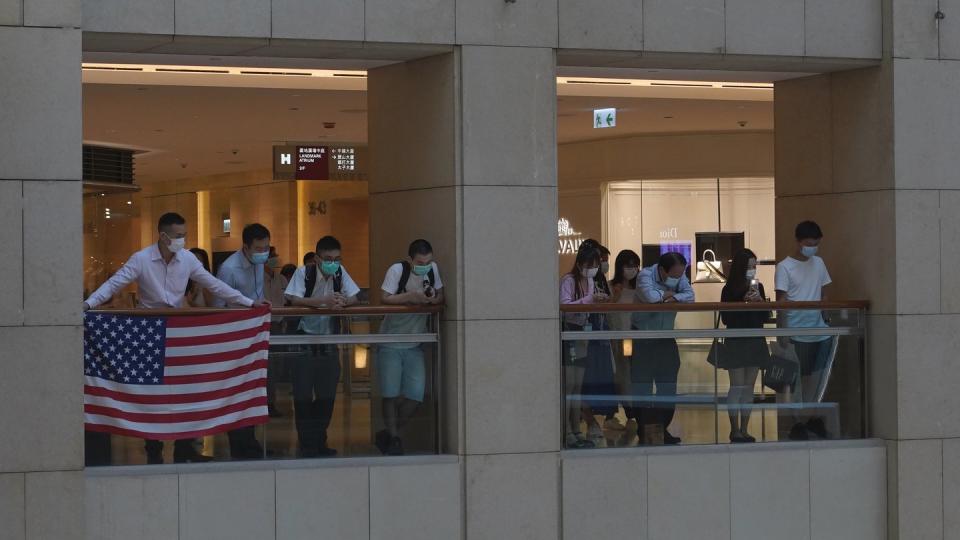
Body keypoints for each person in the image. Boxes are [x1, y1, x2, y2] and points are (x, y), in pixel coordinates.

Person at [84, 212, 265, 464]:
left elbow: (214, 285)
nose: (183, 240)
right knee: (150, 392)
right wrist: (88, 304)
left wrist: (248, 303)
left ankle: (184, 445)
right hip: (148, 332)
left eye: (185, 235)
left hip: (180, 330)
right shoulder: (141, 259)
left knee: (184, 388)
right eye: (179, 236)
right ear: (163, 236)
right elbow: (115, 284)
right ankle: (153, 448)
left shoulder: (188, 259)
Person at [285, 236, 360, 457]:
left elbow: (355, 296)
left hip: (328, 343)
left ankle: (319, 440)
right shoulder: (303, 273)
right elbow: (292, 299)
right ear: (317, 259)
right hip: (304, 342)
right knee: (303, 397)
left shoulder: (339, 272)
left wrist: (343, 302)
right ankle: (307, 445)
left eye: (337, 259)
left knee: (327, 397)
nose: (333, 263)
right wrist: (321, 302)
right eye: (328, 259)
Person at [376, 239, 444, 456]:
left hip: (416, 342)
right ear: (410, 260)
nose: (425, 266)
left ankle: (389, 433)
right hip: (390, 341)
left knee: (415, 396)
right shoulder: (397, 271)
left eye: (428, 261)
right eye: (420, 262)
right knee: (390, 393)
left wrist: (433, 299)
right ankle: (395, 439)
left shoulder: (432, 270)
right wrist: (411, 297)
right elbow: (384, 298)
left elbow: (441, 295)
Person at [212, 223, 274, 459]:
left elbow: (256, 294)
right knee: (236, 392)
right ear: (245, 248)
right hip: (234, 336)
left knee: (253, 389)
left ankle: (251, 440)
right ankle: (240, 443)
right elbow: (218, 307)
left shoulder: (259, 265)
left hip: (254, 334)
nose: (263, 252)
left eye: (267, 247)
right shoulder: (229, 269)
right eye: (259, 248)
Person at [775, 220, 833, 441]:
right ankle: (797, 421)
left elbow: (824, 293)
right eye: (810, 243)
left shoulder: (818, 263)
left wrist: (825, 315)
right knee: (796, 381)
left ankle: (812, 417)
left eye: (816, 243)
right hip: (796, 332)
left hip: (820, 331)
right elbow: (781, 302)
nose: (813, 247)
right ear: (799, 242)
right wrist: (783, 334)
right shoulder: (785, 267)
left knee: (818, 378)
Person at [632, 251, 695, 445]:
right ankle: (645, 431)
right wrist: (671, 294)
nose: (678, 278)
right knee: (642, 387)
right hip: (643, 338)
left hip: (666, 339)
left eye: (680, 275)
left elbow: (690, 295)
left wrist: (671, 297)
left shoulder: (679, 274)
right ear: (662, 270)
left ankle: (662, 428)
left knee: (667, 387)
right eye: (675, 275)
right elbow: (650, 297)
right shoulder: (645, 275)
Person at [560, 244, 610, 449]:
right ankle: (566, 431)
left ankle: (576, 429)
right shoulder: (568, 281)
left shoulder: (589, 281)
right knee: (569, 386)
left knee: (577, 388)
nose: (594, 269)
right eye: (590, 265)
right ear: (580, 264)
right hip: (570, 334)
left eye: (596, 265)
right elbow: (564, 306)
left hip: (583, 336)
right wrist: (590, 299)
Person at [719, 249, 771, 443]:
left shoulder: (759, 287)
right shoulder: (729, 289)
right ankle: (734, 429)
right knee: (737, 385)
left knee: (749, 387)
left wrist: (759, 303)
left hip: (755, 339)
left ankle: (744, 428)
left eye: (754, 266)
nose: (752, 270)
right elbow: (726, 318)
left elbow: (766, 317)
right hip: (737, 339)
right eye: (749, 266)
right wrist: (743, 303)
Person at [576, 240, 617, 439]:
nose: (601, 265)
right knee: (583, 381)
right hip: (584, 337)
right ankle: (587, 420)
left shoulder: (601, 280)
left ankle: (605, 417)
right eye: (600, 260)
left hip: (601, 336)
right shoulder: (573, 281)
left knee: (602, 379)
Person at [609, 249, 642, 433]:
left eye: (635, 266)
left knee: (630, 373)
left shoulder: (639, 290)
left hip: (634, 337)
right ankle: (622, 409)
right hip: (614, 338)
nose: (632, 270)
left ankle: (632, 408)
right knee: (619, 373)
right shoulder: (611, 287)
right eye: (628, 266)